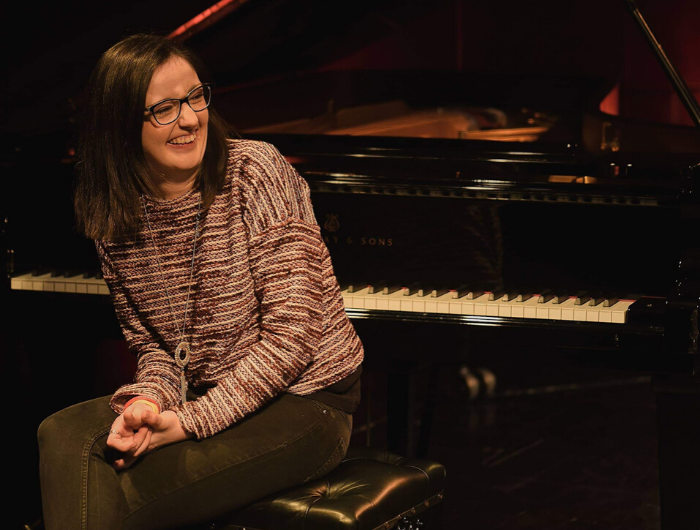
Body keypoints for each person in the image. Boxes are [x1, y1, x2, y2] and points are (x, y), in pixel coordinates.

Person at [37, 33, 364, 530]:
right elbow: (156, 349)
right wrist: (147, 402)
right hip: (204, 393)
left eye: (194, 97)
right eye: (163, 109)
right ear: (120, 125)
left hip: (307, 403)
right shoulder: (113, 215)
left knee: (113, 489)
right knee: (59, 433)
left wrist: (188, 423)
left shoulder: (256, 171)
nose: (189, 119)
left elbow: (292, 338)